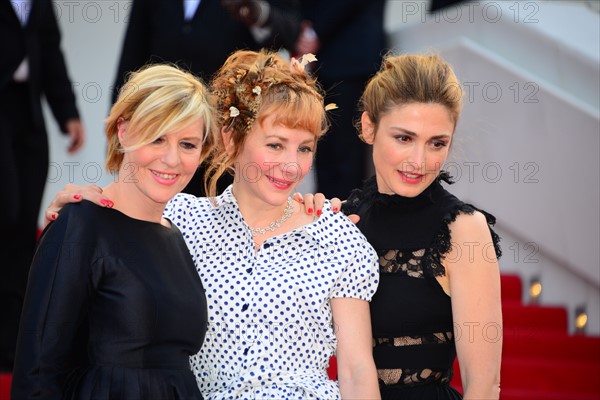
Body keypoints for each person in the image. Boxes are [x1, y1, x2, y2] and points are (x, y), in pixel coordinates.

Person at [42, 50, 381, 399]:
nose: (292, 166)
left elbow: (356, 369)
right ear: (231, 140)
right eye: (276, 145)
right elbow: (115, 222)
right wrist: (84, 202)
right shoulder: (178, 220)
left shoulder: (334, 236)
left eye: (305, 149)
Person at [11, 64, 214, 399]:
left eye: (188, 144)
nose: (171, 159)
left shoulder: (176, 237)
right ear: (124, 132)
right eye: (157, 137)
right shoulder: (80, 225)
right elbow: (37, 372)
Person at [342, 53, 503, 399]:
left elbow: (484, 385)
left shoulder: (463, 230)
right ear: (369, 127)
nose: (419, 161)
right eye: (404, 138)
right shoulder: (342, 218)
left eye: (437, 143)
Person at [113, 0, 302, 197]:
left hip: (227, 131)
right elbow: (132, 52)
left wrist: (258, 12)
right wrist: (121, 120)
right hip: (158, 123)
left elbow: (292, 32)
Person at [0, 0, 85, 372]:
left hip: (28, 113)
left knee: (22, 229)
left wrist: (67, 112)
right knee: (6, 211)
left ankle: (10, 344)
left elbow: (49, 52)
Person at [295, 0, 387, 199]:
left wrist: (313, 32)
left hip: (351, 60)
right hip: (327, 64)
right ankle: (325, 215)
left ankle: (345, 218)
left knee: (346, 154)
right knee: (325, 150)